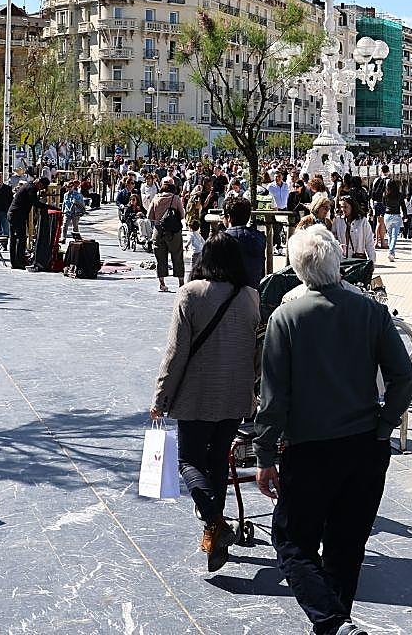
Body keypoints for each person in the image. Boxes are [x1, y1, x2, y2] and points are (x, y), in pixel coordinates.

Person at [255, 226, 412, 635]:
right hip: (364, 443)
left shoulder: (285, 318)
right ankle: (337, 623)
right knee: (347, 546)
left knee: (292, 542)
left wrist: (265, 456)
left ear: (296, 268)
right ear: (337, 262)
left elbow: (274, 397)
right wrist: (384, 424)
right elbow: (402, 376)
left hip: (310, 447)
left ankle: (331, 623)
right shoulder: (372, 312)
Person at [150, 232, 260, 571]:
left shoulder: (190, 294)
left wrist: (161, 395)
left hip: (197, 393)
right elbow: (255, 351)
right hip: (235, 396)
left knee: (188, 461)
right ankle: (215, 539)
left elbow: (176, 351)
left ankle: (216, 522)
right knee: (217, 461)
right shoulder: (250, 297)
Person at [149, 180, 187, 292]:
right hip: (173, 232)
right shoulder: (175, 198)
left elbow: (149, 215)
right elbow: (182, 215)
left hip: (158, 231)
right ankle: (181, 283)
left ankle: (162, 284)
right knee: (177, 256)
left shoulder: (156, 198)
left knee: (160, 258)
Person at [223, 196, 266, 288]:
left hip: (227, 295)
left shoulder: (219, 240)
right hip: (253, 292)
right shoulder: (260, 238)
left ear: (229, 217)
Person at [333, 196, 376, 279]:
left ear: (352, 207)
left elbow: (369, 243)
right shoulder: (338, 220)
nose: (342, 209)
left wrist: (372, 262)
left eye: (345, 207)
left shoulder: (362, 221)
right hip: (343, 262)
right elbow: (334, 239)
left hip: (358, 261)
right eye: (341, 206)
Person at [381, 179, 404, 262]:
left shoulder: (385, 194)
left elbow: (383, 204)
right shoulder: (399, 195)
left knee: (390, 235)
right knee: (394, 235)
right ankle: (391, 252)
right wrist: (405, 215)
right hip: (396, 215)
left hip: (387, 216)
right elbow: (403, 206)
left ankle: (391, 252)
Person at [60, 179, 87, 244]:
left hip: (75, 213)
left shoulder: (78, 194)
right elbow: (64, 203)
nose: (69, 188)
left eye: (71, 186)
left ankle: (76, 239)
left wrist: (76, 202)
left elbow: (82, 204)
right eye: (68, 187)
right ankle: (63, 238)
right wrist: (62, 211)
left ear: (73, 187)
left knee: (75, 226)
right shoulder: (65, 195)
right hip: (67, 212)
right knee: (64, 225)